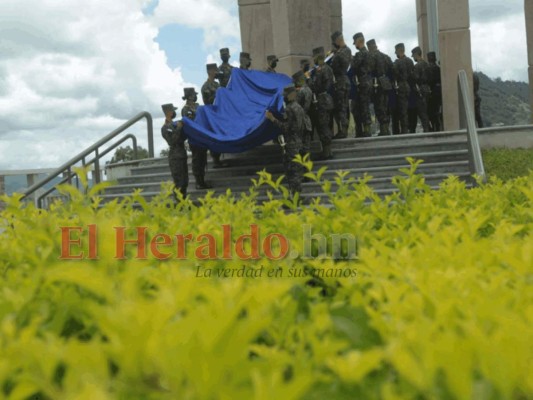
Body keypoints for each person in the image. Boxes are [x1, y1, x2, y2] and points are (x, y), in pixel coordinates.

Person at [265, 84, 306, 197]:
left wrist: (272, 119)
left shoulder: (289, 109)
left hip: (291, 144)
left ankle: (295, 197)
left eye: (286, 95)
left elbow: (286, 128)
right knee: (297, 171)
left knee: (292, 172)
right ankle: (298, 196)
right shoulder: (298, 107)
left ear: (292, 95)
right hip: (298, 141)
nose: (285, 97)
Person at [181, 87, 212, 190]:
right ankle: (198, 181)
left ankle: (202, 180)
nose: (196, 96)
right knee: (197, 160)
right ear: (189, 96)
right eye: (194, 94)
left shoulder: (198, 106)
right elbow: (189, 123)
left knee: (203, 160)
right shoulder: (185, 109)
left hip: (202, 136)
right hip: (194, 138)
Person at [307, 46, 334, 160]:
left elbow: (315, 86)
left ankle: (327, 152)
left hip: (321, 101)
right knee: (326, 124)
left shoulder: (320, 70)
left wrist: (308, 78)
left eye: (314, 57)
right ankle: (327, 150)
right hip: (327, 99)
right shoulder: (328, 68)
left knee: (323, 125)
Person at [161, 103, 188, 200]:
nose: (174, 112)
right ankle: (179, 203)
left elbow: (181, 137)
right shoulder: (165, 128)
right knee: (179, 182)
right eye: (173, 110)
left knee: (185, 181)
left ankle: (183, 201)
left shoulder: (175, 124)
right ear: (168, 112)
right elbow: (172, 141)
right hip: (175, 157)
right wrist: (179, 128)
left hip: (181, 154)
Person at [367, 39, 394, 136]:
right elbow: (392, 69)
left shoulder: (371, 56)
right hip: (386, 83)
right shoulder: (385, 56)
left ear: (369, 47)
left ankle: (384, 130)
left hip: (376, 84)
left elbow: (369, 69)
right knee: (386, 107)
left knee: (379, 107)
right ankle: (386, 128)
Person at [201, 63, 224, 168]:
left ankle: (219, 158)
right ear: (210, 71)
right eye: (215, 70)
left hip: (219, 114)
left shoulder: (217, 85)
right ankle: (216, 159)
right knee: (214, 136)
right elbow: (208, 101)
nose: (216, 72)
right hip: (212, 115)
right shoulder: (205, 86)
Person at [330, 31, 352, 139]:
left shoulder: (345, 51)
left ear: (338, 40)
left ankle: (343, 131)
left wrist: (335, 55)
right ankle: (341, 129)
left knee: (342, 107)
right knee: (340, 107)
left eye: (334, 42)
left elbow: (339, 65)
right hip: (340, 82)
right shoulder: (340, 51)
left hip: (342, 82)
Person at [352, 32, 373, 137]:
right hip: (368, 82)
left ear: (359, 41)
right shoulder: (369, 53)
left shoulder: (360, 54)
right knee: (364, 106)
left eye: (355, 42)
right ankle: (365, 129)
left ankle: (366, 130)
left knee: (363, 107)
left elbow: (354, 66)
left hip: (362, 83)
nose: (354, 45)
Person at [393, 43, 414, 134]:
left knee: (402, 110)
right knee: (409, 109)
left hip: (401, 87)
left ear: (399, 51)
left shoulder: (397, 62)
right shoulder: (410, 61)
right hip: (408, 86)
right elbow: (412, 75)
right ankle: (410, 127)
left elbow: (395, 75)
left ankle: (404, 129)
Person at [292, 71, 313, 155]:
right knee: (306, 146)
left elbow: (296, 105)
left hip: (300, 121)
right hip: (306, 121)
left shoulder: (301, 91)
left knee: (300, 147)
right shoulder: (308, 89)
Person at [411, 46, 431, 132]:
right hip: (428, 89)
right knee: (428, 110)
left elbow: (414, 78)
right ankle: (430, 128)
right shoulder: (427, 65)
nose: (413, 57)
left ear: (416, 54)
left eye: (413, 55)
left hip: (420, 90)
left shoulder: (417, 66)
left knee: (422, 112)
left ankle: (426, 130)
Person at [426, 51, 442, 132]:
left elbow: (428, 81)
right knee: (437, 112)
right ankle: (438, 128)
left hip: (431, 93)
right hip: (438, 93)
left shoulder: (428, 69)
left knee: (430, 113)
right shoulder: (438, 69)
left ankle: (432, 129)